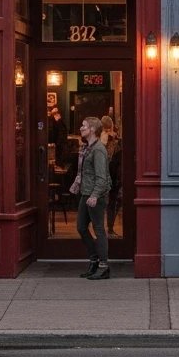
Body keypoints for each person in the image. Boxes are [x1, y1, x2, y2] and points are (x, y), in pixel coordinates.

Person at [74, 116, 111, 281]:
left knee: (99, 230)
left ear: (93, 130)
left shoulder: (98, 150)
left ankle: (104, 266)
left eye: (84, 126)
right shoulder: (86, 148)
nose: (81, 129)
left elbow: (102, 177)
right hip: (86, 193)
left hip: (96, 195)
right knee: (81, 227)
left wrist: (95, 195)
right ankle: (94, 260)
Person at [100, 115, 122, 236]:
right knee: (112, 202)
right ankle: (109, 227)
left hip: (103, 174)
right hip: (113, 175)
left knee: (102, 201)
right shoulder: (116, 140)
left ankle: (101, 228)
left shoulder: (99, 141)